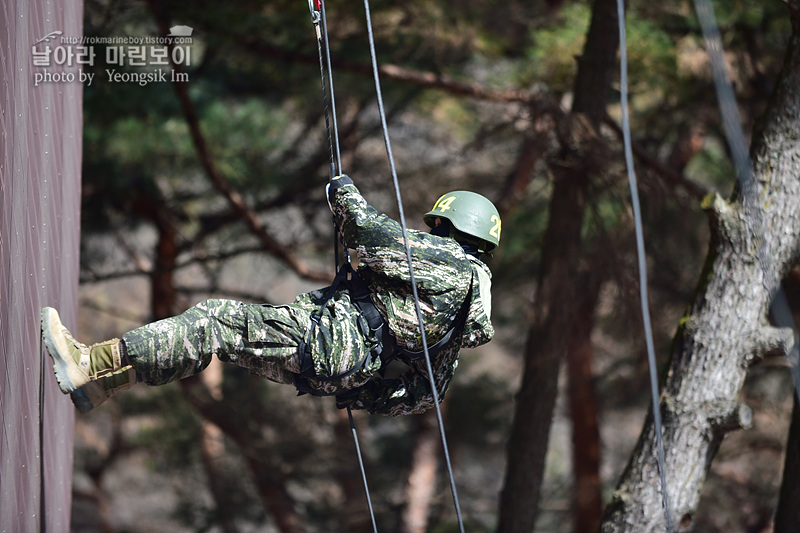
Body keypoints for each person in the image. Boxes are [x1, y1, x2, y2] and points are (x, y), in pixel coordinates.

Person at [42, 175, 500, 416]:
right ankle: (107, 383)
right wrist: (362, 395)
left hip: (331, 341)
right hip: (340, 368)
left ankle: (90, 364)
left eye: (436, 225)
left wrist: (345, 195)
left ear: (451, 227)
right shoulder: (465, 310)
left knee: (214, 322)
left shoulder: (449, 261)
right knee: (218, 341)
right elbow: (427, 392)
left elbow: (368, 233)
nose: (431, 230)